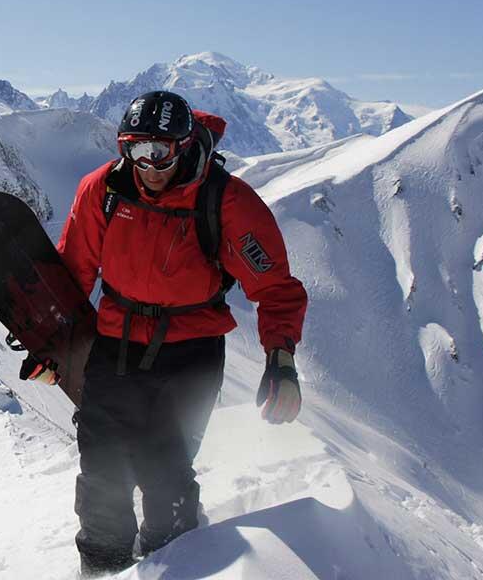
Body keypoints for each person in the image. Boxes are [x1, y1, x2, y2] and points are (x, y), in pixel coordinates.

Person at [25, 90, 307, 577]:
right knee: (102, 470)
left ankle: (173, 565)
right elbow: (74, 272)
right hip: (115, 344)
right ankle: (102, 566)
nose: (149, 165)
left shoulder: (227, 201)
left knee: (166, 474)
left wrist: (280, 358)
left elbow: (276, 288)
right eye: (135, 150)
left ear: (184, 144)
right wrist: (49, 345)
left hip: (191, 354)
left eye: (161, 152)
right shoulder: (105, 190)